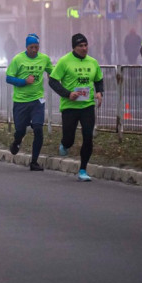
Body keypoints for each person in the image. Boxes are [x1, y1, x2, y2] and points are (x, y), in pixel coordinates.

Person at [49, 33, 104, 182]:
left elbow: (99, 79)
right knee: (69, 139)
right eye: (80, 46)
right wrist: (68, 94)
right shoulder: (65, 61)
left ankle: (83, 170)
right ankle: (65, 144)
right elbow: (53, 81)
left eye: (86, 45)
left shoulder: (93, 62)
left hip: (87, 106)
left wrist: (99, 92)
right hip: (70, 107)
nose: (84, 48)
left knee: (88, 137)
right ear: (74, 47)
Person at [6, 34, 53, 171]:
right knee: (20, 130)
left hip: (38, 100)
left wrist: (55, 77)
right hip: (21, 101)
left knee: (38, 128)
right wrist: (24, 82)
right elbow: (8, 78)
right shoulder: (18, 59)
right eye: (31, 47)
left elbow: (53, 72)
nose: (34, 50)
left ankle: (34, 162)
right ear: (26, 47)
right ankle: (16, 142)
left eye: (36, 47)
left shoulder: (44, 59)